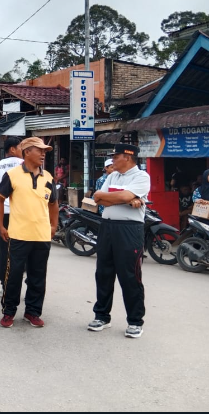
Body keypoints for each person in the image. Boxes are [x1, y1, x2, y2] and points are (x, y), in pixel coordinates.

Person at [0, 137, 58, 329]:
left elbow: (53, 204)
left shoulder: (48, 177)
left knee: (37, 277)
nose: (43, 154)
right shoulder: (12, 175)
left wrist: (53, 226)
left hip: (41, 236)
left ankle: (33, 312)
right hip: (18, 235)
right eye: (39, 151)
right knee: (13, 275)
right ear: (26, 151)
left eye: (45, 152)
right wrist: (1, 226)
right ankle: (9, 312)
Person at [90, 144, 150, 339]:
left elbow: (118, 196)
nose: (112, 160)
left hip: (129, 229)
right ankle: (102, 316)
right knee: (103, 273)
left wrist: (121, 197)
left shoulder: (141, 177)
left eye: (115, 157)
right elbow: (97, 198)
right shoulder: (112, 176)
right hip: (107, 227)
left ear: (128, 157)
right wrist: (125, 199)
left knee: (130, 276)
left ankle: (134, 321)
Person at [0, 137, 23, 296]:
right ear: (12, 149)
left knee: (5, 251)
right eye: (21, 147)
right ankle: (28, 283)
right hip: (23, 214)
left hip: (5, 213)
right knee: (26, 249)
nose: (24, 150)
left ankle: (4, 284)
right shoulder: (26, 164)